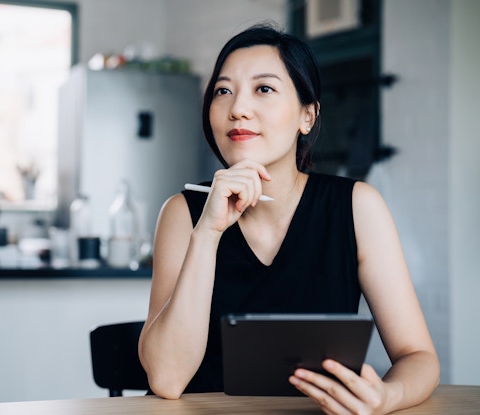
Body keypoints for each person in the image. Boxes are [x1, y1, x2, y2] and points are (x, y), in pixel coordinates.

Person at [137, 21, 440, 414]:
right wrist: (208, 232)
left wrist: (387, 396)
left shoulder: (357, 207)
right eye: (223, 91)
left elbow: (418, 356)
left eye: (263, 89)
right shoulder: (182, 213)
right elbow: (166, 379)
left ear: (307, 116)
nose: (237, 109)